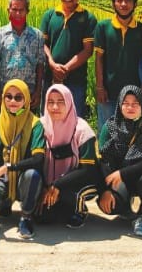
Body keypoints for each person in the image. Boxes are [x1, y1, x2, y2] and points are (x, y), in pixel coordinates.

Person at [95, 85, 142, 237]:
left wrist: (123, 173)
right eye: (126, 103)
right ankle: (126, 207)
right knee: (110, 204)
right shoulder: (109, 126)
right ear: (119, 104)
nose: (130, 107)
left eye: (135, 103)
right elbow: (104, 162)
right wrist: (105, 191)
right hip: (121, 179)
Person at [0, 79, 44, 240]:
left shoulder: (35, 124)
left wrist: (8, 166)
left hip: (24, 180)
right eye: (8, 96)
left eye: (18, 97)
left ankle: (26, 216)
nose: (13, 101)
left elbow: (38, 159)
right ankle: (5, 201)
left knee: (32, 175)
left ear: (26, 99)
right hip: (3, 179)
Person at [93, 0, 142, 128]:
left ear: (134, 4)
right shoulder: (103, 27)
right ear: (113, 3)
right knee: (107, 130)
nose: (123, 4)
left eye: (128, 0)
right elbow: (98, 59)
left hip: (135, 93)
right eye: (119, 0)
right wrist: (99, 87)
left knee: (134, 132)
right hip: (109, 91)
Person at [37, 84, 98, 229]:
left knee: (68, 193)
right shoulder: (40, 126)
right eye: (50, 102)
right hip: (50, 182)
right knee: (43, 218)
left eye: (60, 102)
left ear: (69, 102)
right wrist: (43, 187)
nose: (55, 107)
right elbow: (35, 161)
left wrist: (58, 185)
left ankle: (80, 210)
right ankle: (61, 204)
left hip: (80, 180)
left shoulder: (82, 129)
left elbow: (87, 170)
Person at [40, 0, 97, 118]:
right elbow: (42, 45)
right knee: (48, 119)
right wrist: (53, 65)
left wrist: (65, 69)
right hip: (50, 77)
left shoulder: (88, 18)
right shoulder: (50, 15)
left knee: (74, 120)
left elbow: (88, 50)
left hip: (75, 80)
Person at [0, 0, 45, 121]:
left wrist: (38, 92)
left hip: (28, 92)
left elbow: (40, 65)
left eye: (21, 10)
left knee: (27, 129)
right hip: (6, 92)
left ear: (27, 11)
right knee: (6, 128)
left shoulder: (37, 35)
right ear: (8, 10)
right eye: (14, 9)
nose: (17, 14)